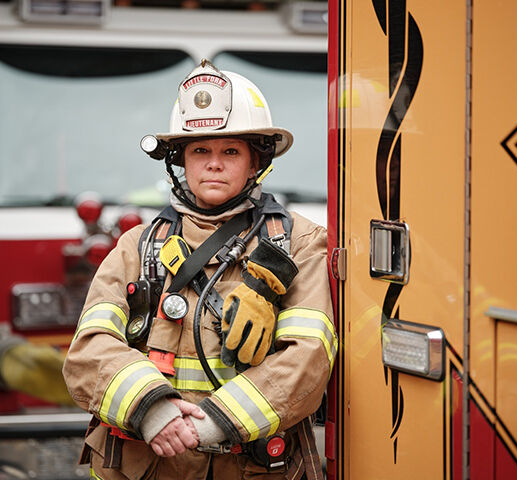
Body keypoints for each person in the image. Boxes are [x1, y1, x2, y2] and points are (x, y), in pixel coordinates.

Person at [63, 60, 337, 480]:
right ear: (181, 162)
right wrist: (152, 411)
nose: (214, 163)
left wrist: (212, 424)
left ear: (255, 162)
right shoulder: (136, 246)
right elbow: (89, 349)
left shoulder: (298, 243)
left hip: (251, 466)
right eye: (200, 151)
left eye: (230, 151)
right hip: (151, 467)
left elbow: (309, 357)